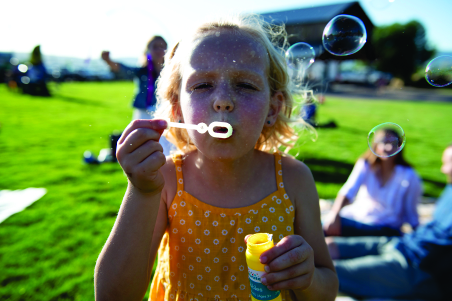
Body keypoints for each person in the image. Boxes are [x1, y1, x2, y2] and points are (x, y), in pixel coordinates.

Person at [94, 15, 338, 301]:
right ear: (177, 111)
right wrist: (142, 191)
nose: (223, 100)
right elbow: (112, 296)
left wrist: (307, 278)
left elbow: (327, 288)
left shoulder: (295, 180)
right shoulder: (165, 180)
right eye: (202, 86)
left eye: (245, 85)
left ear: (273, 108)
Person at [326, 145, 452, 300]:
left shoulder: (408, 175)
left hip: (415, 266)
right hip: (401, 243)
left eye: (449, 163)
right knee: (328, 245)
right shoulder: (450, 188)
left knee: (330, 272)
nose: (443, 169)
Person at [323, 128, 422, 237]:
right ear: (375, 145)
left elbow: (411, 212)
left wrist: (418, 234)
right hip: (358, 219)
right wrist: (334, 215)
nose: (388, 147)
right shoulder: (365, 165)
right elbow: (348, 191)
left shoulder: (409, 175)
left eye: (393, 143)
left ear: (400, 147)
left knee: (323, 229)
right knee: (322, 225)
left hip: (387, 228)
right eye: (384, 142)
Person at [101, 36, 176, 156]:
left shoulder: (170, 72)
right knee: (143, 145)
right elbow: (123, 69)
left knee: (167, 145)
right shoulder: (142, 71)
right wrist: (108, 61)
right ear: (147, 51)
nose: (159, 50)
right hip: (143, 113)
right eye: (155, 47)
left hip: (164, 113)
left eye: (163, 47)